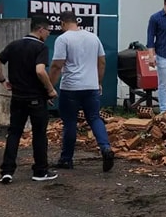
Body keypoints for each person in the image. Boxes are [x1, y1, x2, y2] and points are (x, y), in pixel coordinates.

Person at [0, 16, 59, 184]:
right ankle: (40, 171)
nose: (48, 34)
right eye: (48, 31)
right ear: (41, 30)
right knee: (39, 134)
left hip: (18, 98)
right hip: (36, 98)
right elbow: (40, 71)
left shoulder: (14, 45)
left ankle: (7, 171)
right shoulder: (41, 48)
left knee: (14, 133)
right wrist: (50, 90)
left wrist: (3, 80)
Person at [48, 9, 115, 172]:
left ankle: (66, 159)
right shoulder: (93, 38)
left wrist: (48, 87)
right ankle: (105, 147)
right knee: (94, 118)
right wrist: (98, 82)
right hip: (91, 86)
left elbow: (57, 65)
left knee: (70, 122)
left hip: (71, 87)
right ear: (76, 21)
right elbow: (102, 62)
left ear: (62, 23)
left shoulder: (63, 39)